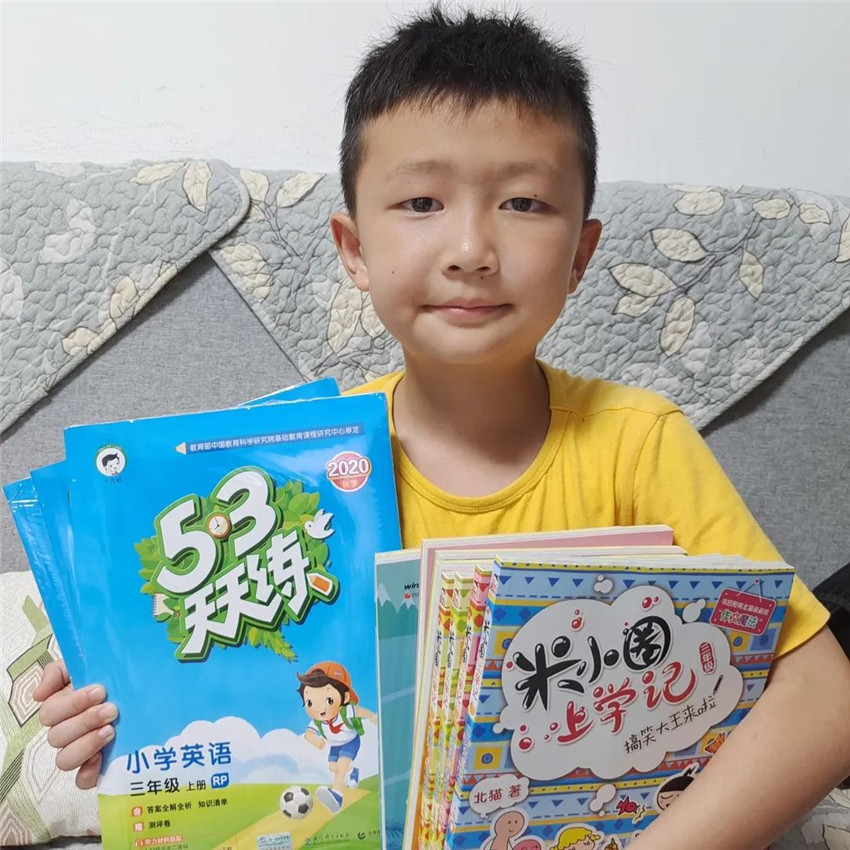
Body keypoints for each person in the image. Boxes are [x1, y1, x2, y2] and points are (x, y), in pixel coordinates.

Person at [33, 7, 850, 850]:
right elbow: (245, 715)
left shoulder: (638, 443)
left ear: (581, 254)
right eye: (421, 201)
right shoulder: (295, 470)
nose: (470, 248)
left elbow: (824, 698)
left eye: (524, 202)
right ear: (354, 248)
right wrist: (120, 713)